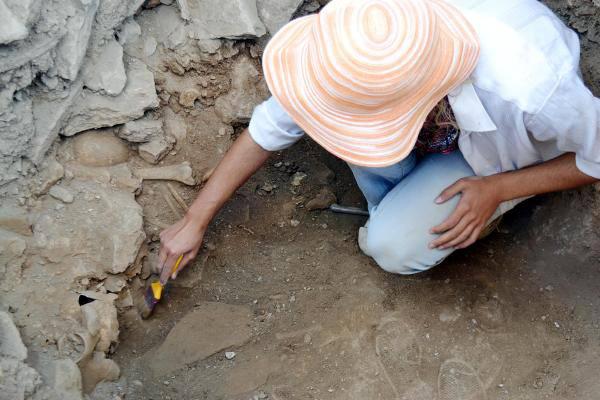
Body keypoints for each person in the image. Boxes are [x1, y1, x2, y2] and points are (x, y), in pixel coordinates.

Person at [157, 0, 600, 280]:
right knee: (351, 146)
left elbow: (596, 156)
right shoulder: (365, 33)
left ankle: (474, 217)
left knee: (390, 246)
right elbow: (273, 124)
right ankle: (399, 204)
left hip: (493, 158)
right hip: (438, 120)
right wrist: (195, 219)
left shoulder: (533, 87)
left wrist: (499, 190)